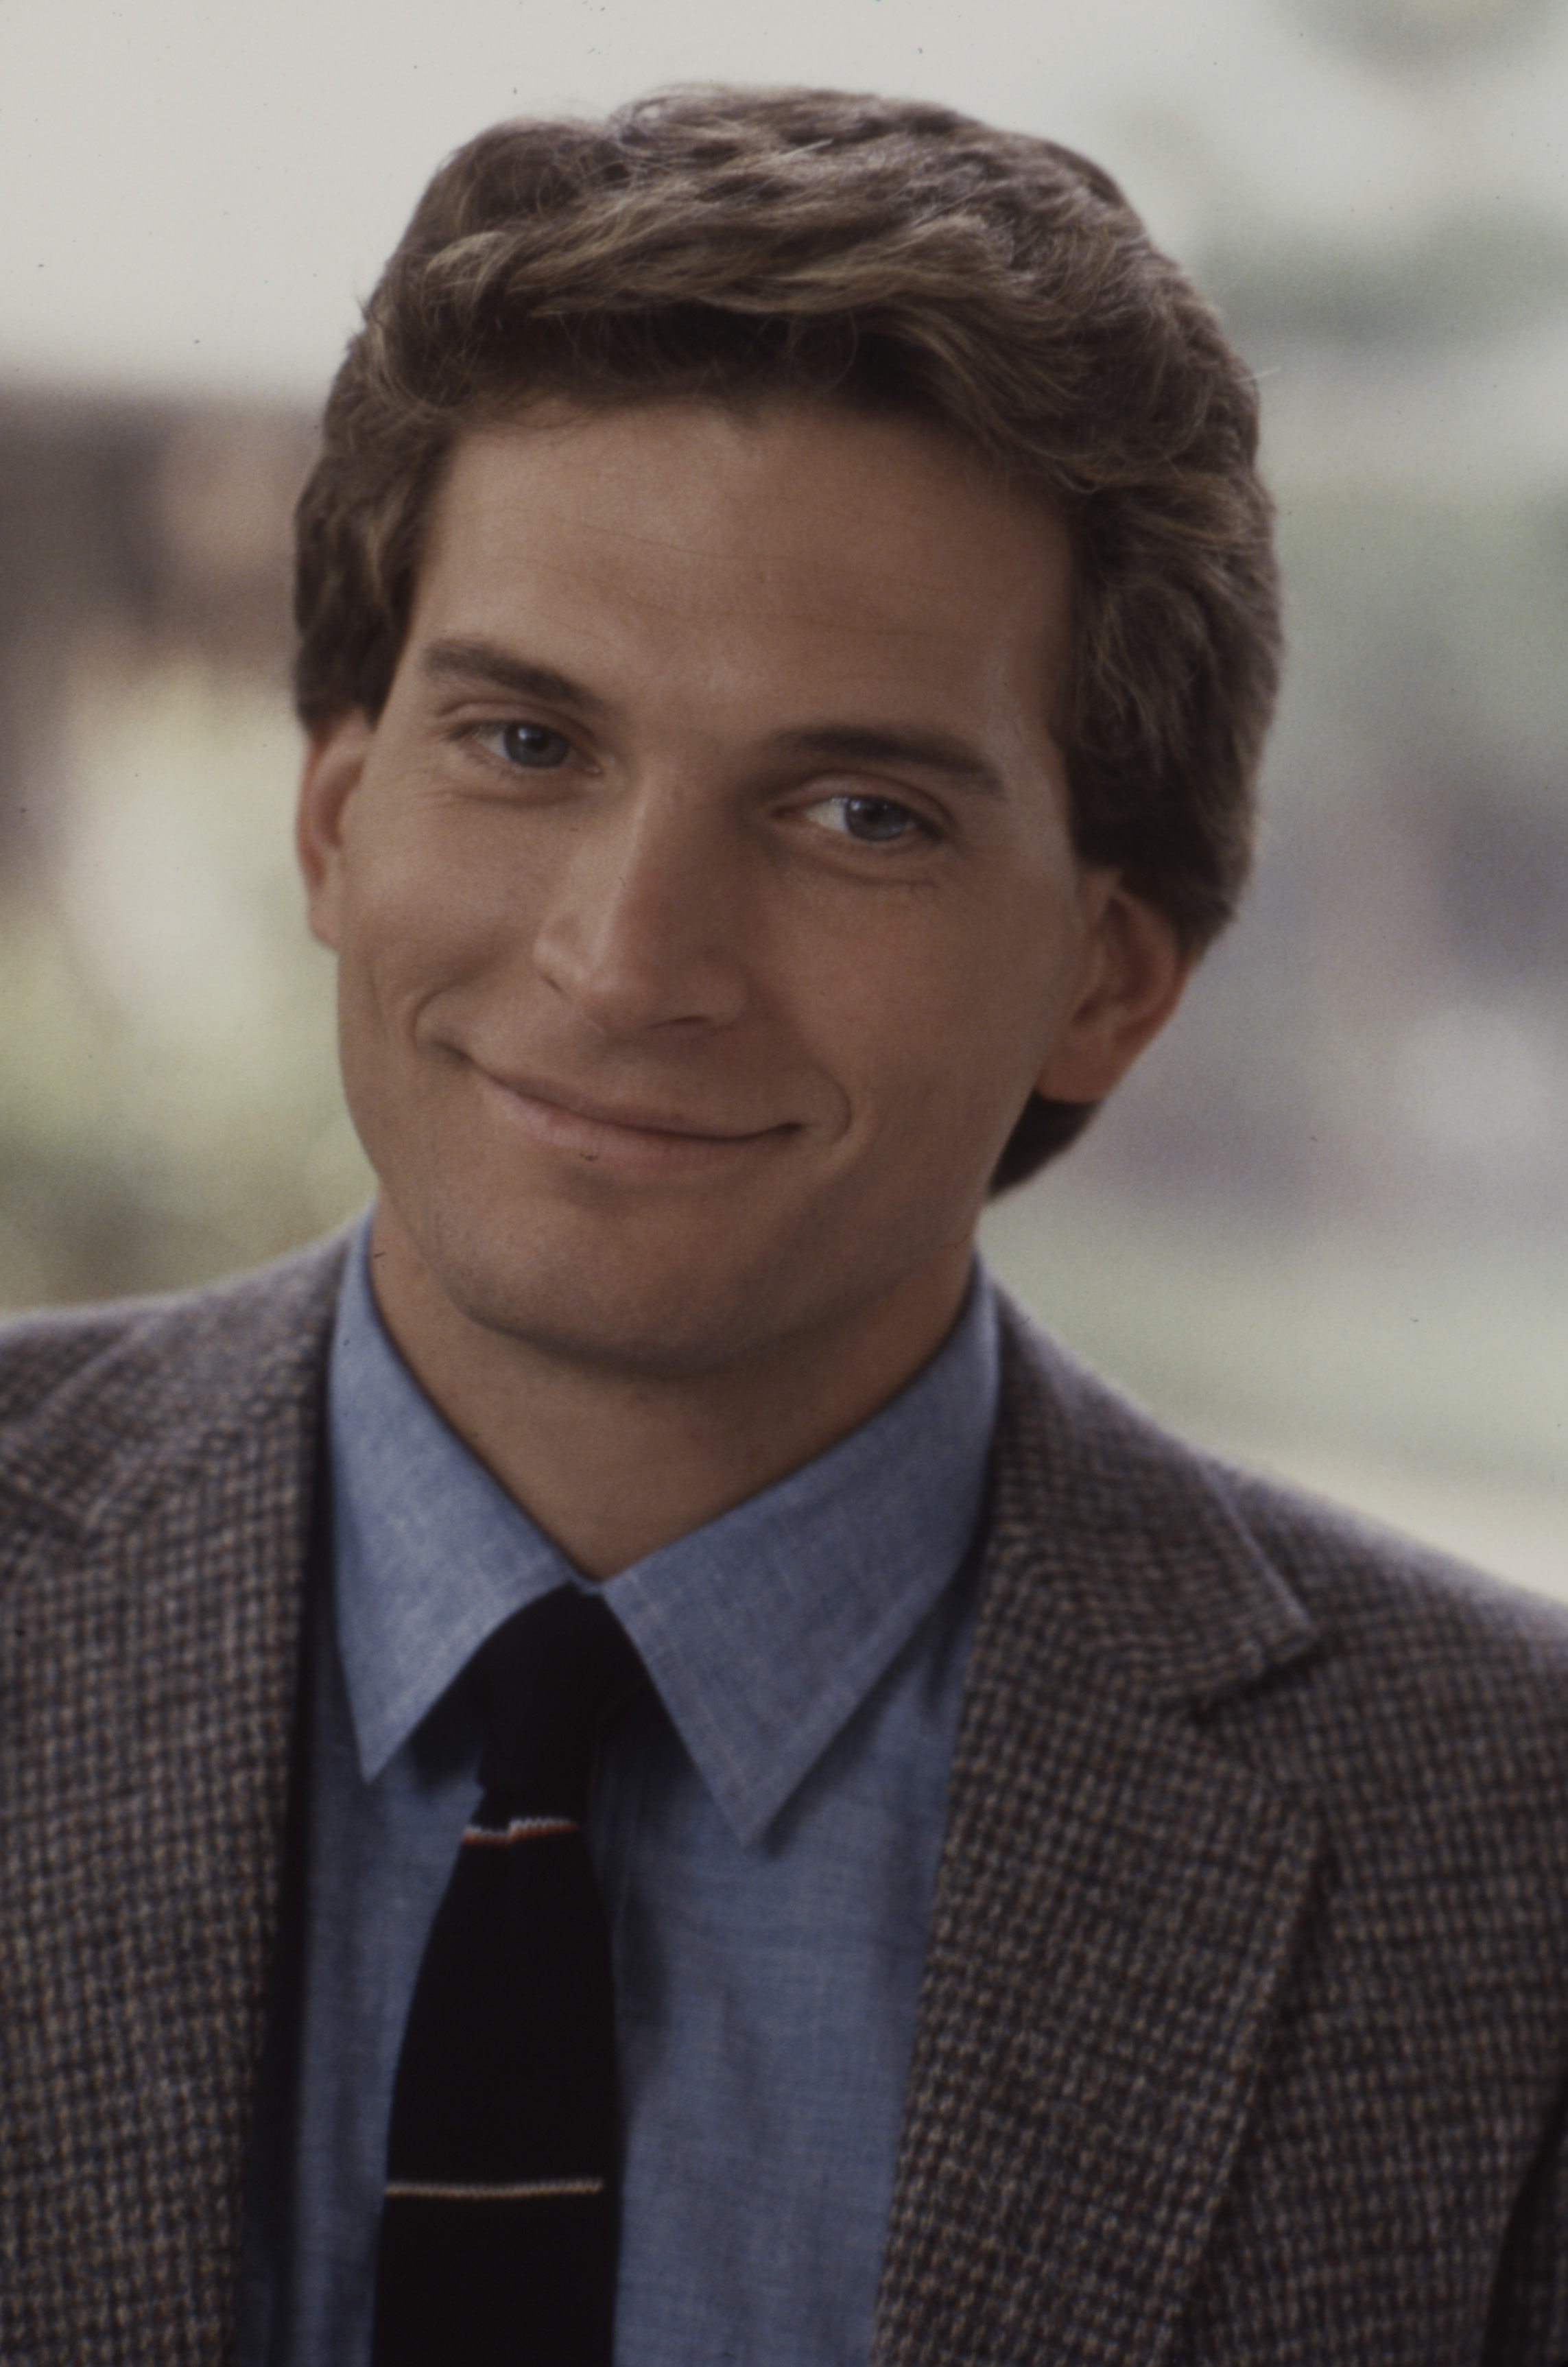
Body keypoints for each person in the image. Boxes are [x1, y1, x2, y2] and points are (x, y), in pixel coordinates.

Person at [3, 85, 1567, 2367]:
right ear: (337, 812)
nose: (630, 958)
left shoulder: (1513, 1875)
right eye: (528, 743)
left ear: (1111, 976)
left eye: (858, 810)